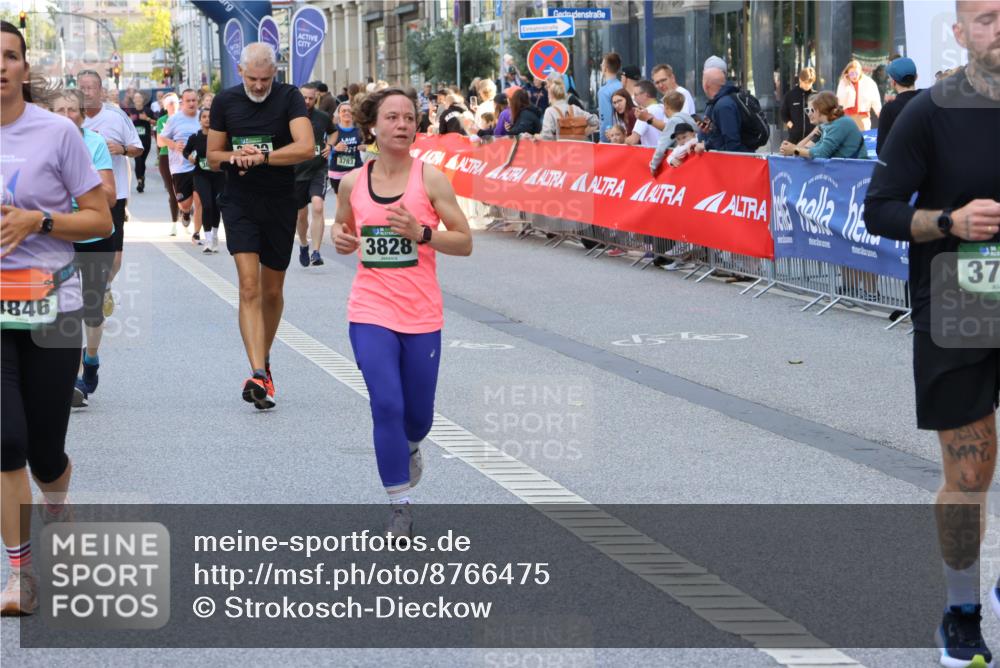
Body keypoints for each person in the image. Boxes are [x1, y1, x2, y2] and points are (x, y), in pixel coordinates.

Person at [863, 2, 1000, 666]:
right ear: (960, 33)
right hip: (962, 299)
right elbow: (879, 209)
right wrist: (950, 222)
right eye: (988, 18)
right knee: (970, 472)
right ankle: (961, 612)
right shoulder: (930, 112)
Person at [0, 20, 113, 615]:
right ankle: (20, 574)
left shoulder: (57, 133)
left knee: (45, 452)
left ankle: (57, 502)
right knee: (5, 442)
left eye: (9, 56)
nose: (0, 66)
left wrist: (38, 221)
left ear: (24, 67)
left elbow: (100, 219)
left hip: (53, 306)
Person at [331, 87, 472, 539]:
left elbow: (464, 241)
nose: (402, 124)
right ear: (373, 126)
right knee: (386, 404)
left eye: (409, 117)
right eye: (392, 117)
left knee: (418, 418)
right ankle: (400, 506)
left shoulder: (431, 180)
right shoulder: (353, 182)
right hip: (370, 308)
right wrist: (341, 239)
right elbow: (343, 227)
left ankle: (410, 445)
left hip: (421, 313)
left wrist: (422, 233)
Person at [207, 43, 313, 410]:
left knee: (271, 291)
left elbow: (305, 147)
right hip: (239, 202)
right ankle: (256, 372)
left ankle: (263, 361)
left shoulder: (289, 97)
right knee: (249, 286)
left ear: (275, 73)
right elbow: (213, 156)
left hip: (280, 202)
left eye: (265, 79)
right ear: (240, 71)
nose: (258, 85)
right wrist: (234, 156)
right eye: (252, 78)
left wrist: (264, 158)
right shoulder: (225, 101)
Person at [51, 90, 117, 409]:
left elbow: (111, 196)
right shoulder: (43, 142)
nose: (67, 116)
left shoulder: (95, 143)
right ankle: (73, 376)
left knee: (91, 307)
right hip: (58, 235)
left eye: (72, 110)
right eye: (60, 110)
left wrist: (78, 177)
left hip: (94, 235)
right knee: (64, 308)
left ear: (82, 114)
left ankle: (90, 360)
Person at [79, 69, 142, 317]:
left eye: (90, 87)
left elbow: (138, 148)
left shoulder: (116, 117)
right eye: (81, 87)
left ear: (101, 91)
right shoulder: (70, 118)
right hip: (80, 196)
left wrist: (122, 149)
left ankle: (104, 286)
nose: (85, 92)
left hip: (113, 194)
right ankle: (88, 295)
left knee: (114, 260)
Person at [294, 83, 336, 267]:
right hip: (296, 172)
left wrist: (330, 145)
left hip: (318, 169)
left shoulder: (322, 117)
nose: (307, 101)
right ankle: (304, 244)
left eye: (311, 98)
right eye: (304, 98)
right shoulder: (289, 117)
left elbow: (334, 132)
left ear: (316, 98)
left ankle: (316, 252)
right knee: (301, 215)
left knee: (318, 206)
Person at [158, 89, 201, 243]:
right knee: (184, 203)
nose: (191, 103)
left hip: (199, 166)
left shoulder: (203, 117)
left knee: (199, 199)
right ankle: (186, 212)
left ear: (198, 101)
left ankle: (197, 233)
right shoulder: (174, 119)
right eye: (188, 101)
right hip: (180, 167)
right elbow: (161, 140)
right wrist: (174, 145)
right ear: (182, 102)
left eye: (194, 100)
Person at [182, 108, 224, 254]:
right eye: (204, 117)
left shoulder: (221, 137)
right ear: (200, 120)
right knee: (206, 205)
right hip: (201, 175)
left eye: (210, 116)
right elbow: (186, 150)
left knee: (216, 205)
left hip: (218, 175)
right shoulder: (195, 137)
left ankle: (215, 235)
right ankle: (208, 240)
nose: (207, 119)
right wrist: (189, 157)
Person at [779, 92, 867, 159]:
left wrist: (794, 150)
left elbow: (821, 153)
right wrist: (792, 148)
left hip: (856, 171)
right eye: (807, 110)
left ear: (820, 109)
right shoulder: (828, 125)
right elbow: (813, 149)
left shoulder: (841, 123)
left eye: (812, 110)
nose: (809, 114)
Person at [698, 56, 748, 152]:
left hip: (734, 159)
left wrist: (706, 145)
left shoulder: (723, 105)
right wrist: (710, 131)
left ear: (706, 84)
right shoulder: (720, 102)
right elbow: (721, 135)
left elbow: (731, 145)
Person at [876, 57, 921, 155]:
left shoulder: (889, 110)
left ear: (893, 82)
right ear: (916, 77)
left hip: (905, 162)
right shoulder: (928, 100)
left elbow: (881, 150)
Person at [540, 73, 598, 141]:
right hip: (576, 146)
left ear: (551, 91)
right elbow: (595, 121)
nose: (546, 89)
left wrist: (536, 137)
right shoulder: (575, 108)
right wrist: (583, 134)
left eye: (547, 86)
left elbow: (546, 137)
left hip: (560, 147)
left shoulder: (550, 111)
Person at [650, 91, 698, 172]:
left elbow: (662, 146)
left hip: (681, 163)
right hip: (694, 161)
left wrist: (653, 166)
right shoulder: (689, 118)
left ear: (666, 107)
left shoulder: (673, 121)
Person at [156, 93, 181, 231]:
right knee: (172, 192)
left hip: (182, 156)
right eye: (170, 103)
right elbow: (160, 143)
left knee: (183, 189)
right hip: (166, 157)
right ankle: (174, 223)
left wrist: (168, 140)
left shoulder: (184, 118)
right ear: (165, 106)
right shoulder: (162, 120)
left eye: (175, 102)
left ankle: (186, 212)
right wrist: (174, 142)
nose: (173, 105)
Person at [836, 59, 882, 131]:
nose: (854, 76)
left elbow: (875, 99)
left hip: (863, 117)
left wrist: (879, 113)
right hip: (847, 117)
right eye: (851, 74)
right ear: (847, 73)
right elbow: (840, 101)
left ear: (860, 72)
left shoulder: (869, 82)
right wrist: (847, 86)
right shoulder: (843, 83)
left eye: (856, 73)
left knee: (863, 137)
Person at [328, 101, 363, 193]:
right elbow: (324, 150)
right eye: (343, 111)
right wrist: (334, 149)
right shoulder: (333, 130)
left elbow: (369, 145)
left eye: (349, 111)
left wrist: (365, 147)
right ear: (339, 114)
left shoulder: (359, 130)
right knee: (340, 199)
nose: (347, 113)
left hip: (355, 170)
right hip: (337, 171)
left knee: (356, 197)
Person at [780, 67, 818, 144]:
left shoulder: (816, 96)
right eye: (805, 83)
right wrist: (791, 125)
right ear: (800, 80)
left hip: (812, 138)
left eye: (810, 83)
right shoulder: (791, 95)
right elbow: (783, 113)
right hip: (794, 138)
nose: (807, 85)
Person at [126, 91, 154, 193]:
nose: (138, 100)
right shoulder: (131, 111)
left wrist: (147, 119)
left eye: (139, 98)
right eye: (136, 98)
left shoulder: (148, 110)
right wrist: (130, 120)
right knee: (138, 160)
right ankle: (139, 181)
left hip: (146, 140)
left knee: (142, 161)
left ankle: (141, 177)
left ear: (143, 100)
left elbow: (156, 122)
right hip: (134, 141)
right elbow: (125, 124)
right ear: (133, 100)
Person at [625, 81, 665, 148]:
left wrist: (623, 139)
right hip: (666, 151)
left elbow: (633, 140)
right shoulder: (664, 108)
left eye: (635, 94)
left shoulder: (643, 113)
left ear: (646, 95)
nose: (634, 98)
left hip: (651, 152)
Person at [598, 52, 624, 142]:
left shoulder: (604, 91)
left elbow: (605, 119)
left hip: (613, 139)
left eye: (602, 64)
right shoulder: (622, 86)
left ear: (605, 68)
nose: (601, 66)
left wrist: (603, 140)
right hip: (625, 135)